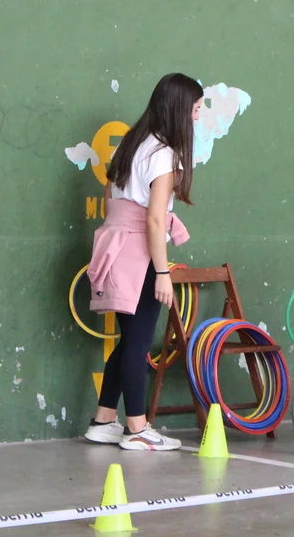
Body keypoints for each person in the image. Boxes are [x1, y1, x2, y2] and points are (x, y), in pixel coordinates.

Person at [84, 72, 205, 451]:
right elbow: (154, 219)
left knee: (130, 340)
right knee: (138, 345)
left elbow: (111, 197)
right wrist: (163, 272)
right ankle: (136, 428)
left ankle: (103, 420)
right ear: (180, 110)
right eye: (196, 108)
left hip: (115, 248)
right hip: (139, 255)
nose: (198, 116)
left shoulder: (133, 144)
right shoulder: (163, 153)